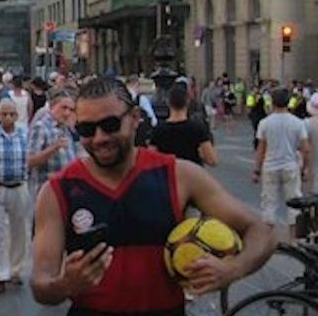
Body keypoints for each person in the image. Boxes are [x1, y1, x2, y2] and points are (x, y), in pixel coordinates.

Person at [31, 77, 275, 314]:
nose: (99, 138)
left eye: (110, 125)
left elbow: (261, 231)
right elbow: (41, 284)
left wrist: (232, 269)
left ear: (135, 118)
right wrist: (65, 284)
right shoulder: (58, 190)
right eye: (86, 129)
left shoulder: (179, 175)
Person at [0, 99, 30, 295]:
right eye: (4, 114)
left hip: (19, 187)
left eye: (11, 114)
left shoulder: (24, 135)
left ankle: (15, 270)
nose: (8, 118)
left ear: (17, 115)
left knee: (19, 232)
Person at [254, 88, 311, 239]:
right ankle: (293, 239)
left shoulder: (265, 123)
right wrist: (305, 168)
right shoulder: (298, 123)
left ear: (273, 102)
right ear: (288, 102)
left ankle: (268, 239)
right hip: (290, 165)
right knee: (294, 202)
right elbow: (305, 148)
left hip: (270, 166)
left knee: (269, 202)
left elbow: (261, 149)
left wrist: (256, 170)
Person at [26, 88, 78, 196]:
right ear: (52, 106)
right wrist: (53, 148)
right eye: (63, 108)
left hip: (65, 189)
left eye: (71, 109)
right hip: (46, 192)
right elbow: (29, 161)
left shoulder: (66, 128)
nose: (67, 113)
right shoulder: (41, 127)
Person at [150, 85, 218, 167]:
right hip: (192, 175)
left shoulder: (158, 130)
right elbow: (212, 161)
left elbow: (151, 160)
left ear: (168, 102)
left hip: (168, 175)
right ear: (187, 102)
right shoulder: (197, 128)